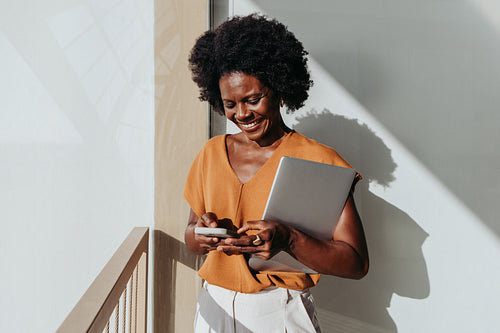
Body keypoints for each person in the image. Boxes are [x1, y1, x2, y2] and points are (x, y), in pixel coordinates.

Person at [184, 14, 369, 332]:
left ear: (280, 87)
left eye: (253, 99)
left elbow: (355, 263)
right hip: (211, 308)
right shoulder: (211, 153)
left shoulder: (319, 160)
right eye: (230, 104)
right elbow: (190, 238)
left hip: (278, 313)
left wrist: (289, 239)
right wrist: (203, 234)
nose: (242, 114)